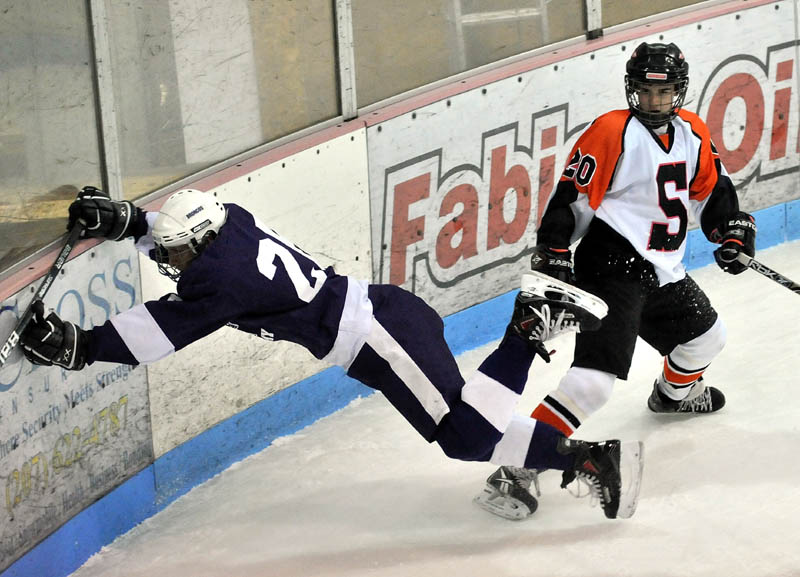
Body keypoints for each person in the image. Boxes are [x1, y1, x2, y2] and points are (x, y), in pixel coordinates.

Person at [20, 186, 645, 520]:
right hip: (380, 322)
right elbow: (180, 226)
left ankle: (529, 329)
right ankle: (588, 459)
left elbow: (159, 330)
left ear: (202, 244)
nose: (168, 261)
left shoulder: (220, 280)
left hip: (376, 334)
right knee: (467, 430)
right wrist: (129, 221)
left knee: (462, 437)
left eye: (176, 254)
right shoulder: (227, 220)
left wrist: (79, 346)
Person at [474, 41, 756, 520]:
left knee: (707, 339)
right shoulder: (610, 131)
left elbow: (712, 192)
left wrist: (729, 230)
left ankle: (671, 395)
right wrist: (557, 252)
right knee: (595, 384)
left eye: (664, 93)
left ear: (679, 92)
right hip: (611, 267)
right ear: (632, 90)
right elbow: (571, 198)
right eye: (645, 92)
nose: (654, 101)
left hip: (663, 267)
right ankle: (514, 467)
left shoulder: (692, 132)